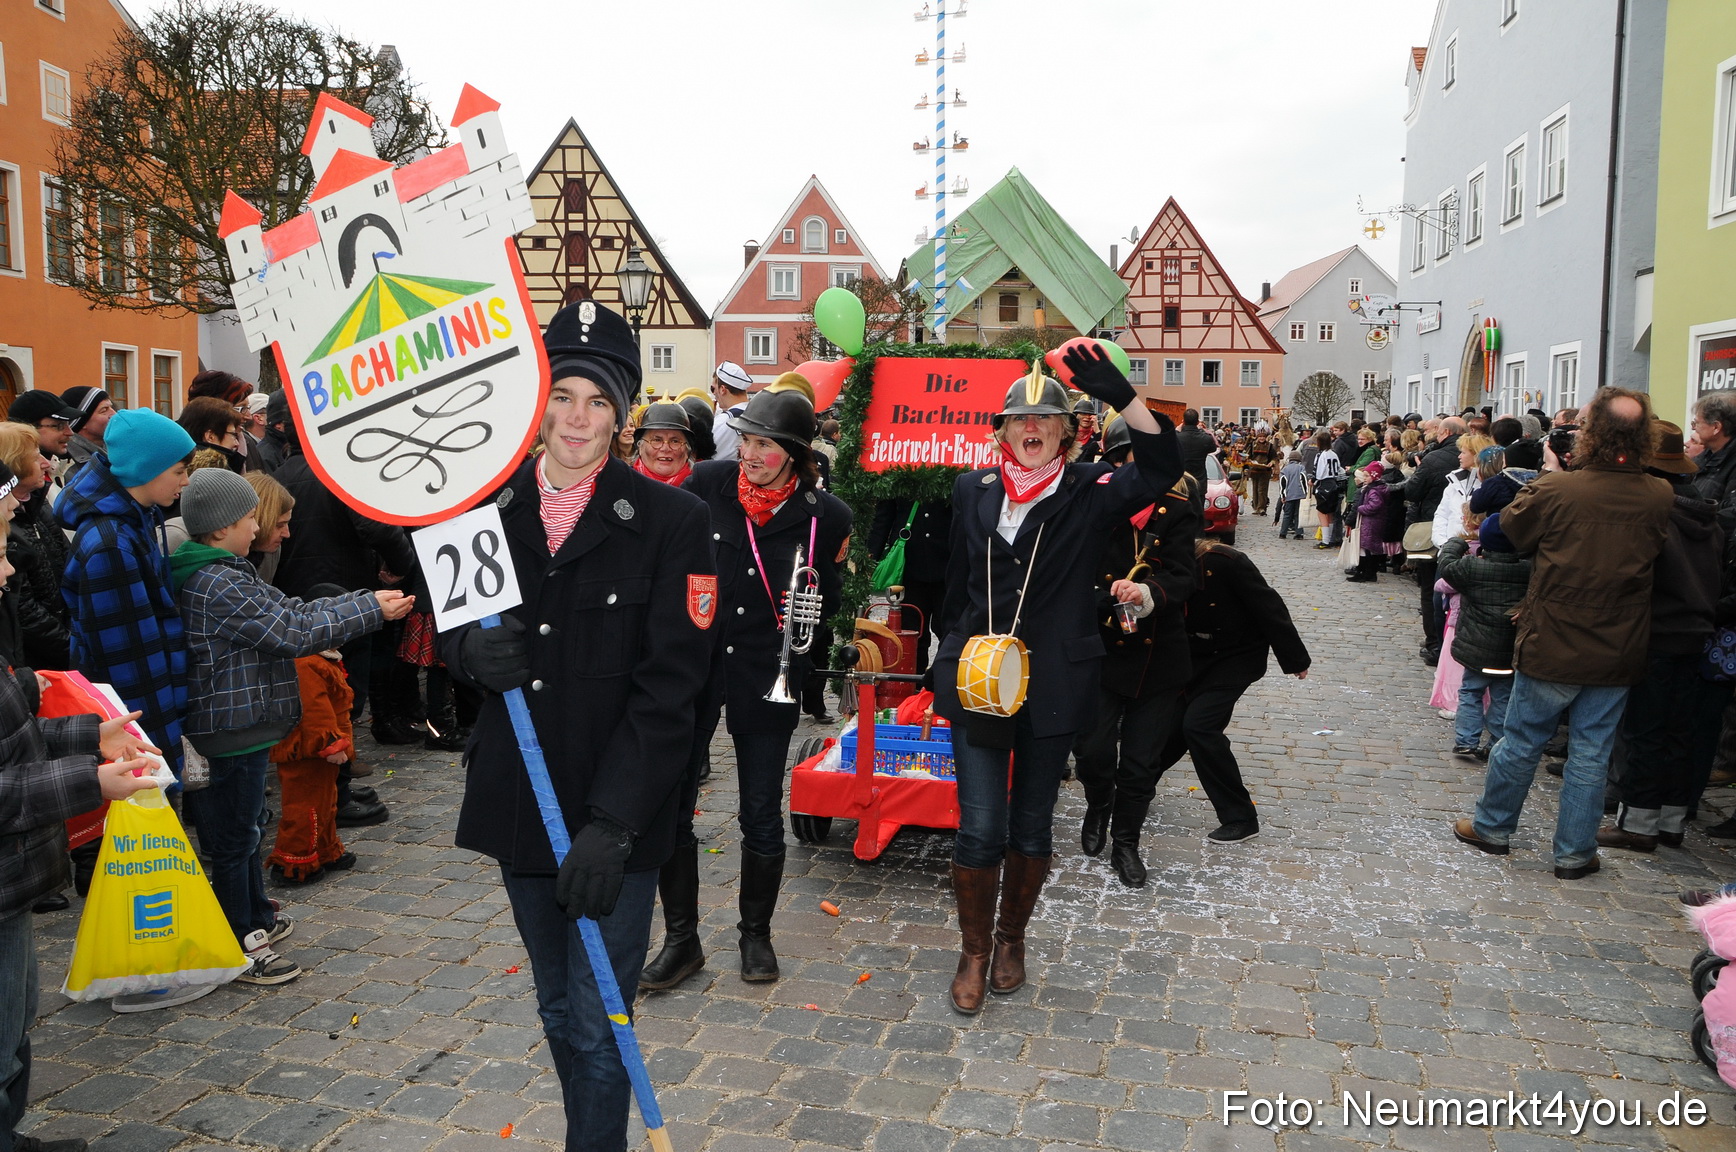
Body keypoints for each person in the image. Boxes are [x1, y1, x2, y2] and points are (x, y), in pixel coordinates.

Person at [437, 300, 716, 1152]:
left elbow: (674, 692)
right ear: (535, 402)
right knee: (558, 1007)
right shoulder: (479, 510)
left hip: (611, 826)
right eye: (561, 396)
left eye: (597, 401)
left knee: (601, 1028)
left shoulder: (672, 523)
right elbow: (456, 636)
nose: (577, 419)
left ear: (623, 413)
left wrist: (617, 824)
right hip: (521, 806)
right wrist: (465, 657)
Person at [932, 346, 1182, 1015]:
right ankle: (974, 950)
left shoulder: (1092, 491)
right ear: (1002, 430)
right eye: (1020, 419)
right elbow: (955, 584)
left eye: (1047, 417)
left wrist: (1123, 395)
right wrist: (945, 658)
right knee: (980, 828)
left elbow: (1164, 465)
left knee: (1031, 828)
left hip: (1053, 685)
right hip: (980, 681)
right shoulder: (971, 489)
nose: (1032, 426)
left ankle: (1012, 939)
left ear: (1069, 431)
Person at [172, 467, 408, 984]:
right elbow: (290, 629)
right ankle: (241, 941)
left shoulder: (228, 570)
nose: (259, 528)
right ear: (222, 527)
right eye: (250, 519)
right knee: (234, 842)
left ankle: (255, 915)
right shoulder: (217, 581)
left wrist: (362, 601)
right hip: (227, 731)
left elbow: (292, 608)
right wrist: (370, 608)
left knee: (246, 830)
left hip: (243, 728)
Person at [1453, 387, 1676, 880]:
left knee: (1521, 740)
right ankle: (1574, 854)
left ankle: (1493, 828)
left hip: (1555, 636)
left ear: (1588, 434)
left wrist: (1553, 475)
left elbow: (1500, 533)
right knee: (1592, 752)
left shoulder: (1558, 489)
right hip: (1618, 642)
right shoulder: (1660, 493)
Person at [684, 374, 851, 982]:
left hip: (767, 673)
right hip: (697, 670)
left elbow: (825, 599)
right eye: (747, 439)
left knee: (759, 811)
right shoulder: (705, 486)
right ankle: (682, 937)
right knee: (676, 806)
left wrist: (801, 633)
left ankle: (756, 935)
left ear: (797, 456)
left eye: (767, 445)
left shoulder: (826, 516)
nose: (752, 455)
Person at [1, 541, 162, 1152]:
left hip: (14, 879)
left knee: (14, 1027)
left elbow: (11, 736)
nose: (11, 569)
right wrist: (89, 780)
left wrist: (90, 735)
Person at [1074, 416, 1198, 887]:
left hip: (1157, 655)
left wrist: (1148, 595)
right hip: (1100, 649)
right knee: (1093, 750)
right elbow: (1068, 577)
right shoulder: (1093, 504)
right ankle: (1097, 800)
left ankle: (1126, 842)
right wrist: (1106, 596)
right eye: (1132, 459)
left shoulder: (1178, 508)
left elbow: (1185, 575)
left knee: (1142, 762)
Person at [1598, 422, 1724, 852]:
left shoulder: (1657, 515)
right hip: (1694, 631)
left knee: (1644, 731)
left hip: (1657, 631)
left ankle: (1639, 823)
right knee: (1678, 730)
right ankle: (1670, 822)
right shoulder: (1704, 514)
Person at [57, 409, 197, 779]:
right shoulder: (112, 545)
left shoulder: (134, 521)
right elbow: (131, 661)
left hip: (141, 714)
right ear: (145, 469)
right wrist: (161, 753)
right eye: (179, 471)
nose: (185, 481)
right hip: (136, 724)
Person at [1438, 513, 1531, 758]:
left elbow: (1447, 568)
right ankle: (1496, 742)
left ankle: (1467, 739)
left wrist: (1456, 543)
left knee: (1470, 691)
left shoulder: (1472, 567)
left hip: (1476, 647)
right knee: (1503, 696)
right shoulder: (1528, 570)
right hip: (1509, 650)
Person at [0, 426, 69, 672]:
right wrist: (70, 646)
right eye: (34, 456)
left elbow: (67, 560)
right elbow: (24, 611)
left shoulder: (39, 507)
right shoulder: (7, 529)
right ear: (13, 464)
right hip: (36, 662)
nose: (45, 463)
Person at [57, 387, 115, 485]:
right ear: (82, 422)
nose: (114, 414)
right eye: (104, 410)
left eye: (111, 407)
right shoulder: (69, 466)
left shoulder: (113, 450)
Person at [177, 396, 247, 473]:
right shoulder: (216, 474)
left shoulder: (177, 466)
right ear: (210, 437)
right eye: (233, 435)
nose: (236, 443)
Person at [632, 402, 696, 486]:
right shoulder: (623, 484)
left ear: (687, 450)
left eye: (675, 441)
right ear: (640, 447)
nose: (665, 448)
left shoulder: (701, 487)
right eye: (657, 440)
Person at [7, 390, 78, 464]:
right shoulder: (13, 473)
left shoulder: (53, 466)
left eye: (68, 423)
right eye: (60, 426)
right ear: (29, 429)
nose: (70, 432)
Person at [711, 361, 753, 461]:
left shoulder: (722, 421)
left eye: (713, 388)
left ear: (722, 389)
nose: (714, 393)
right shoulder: (759, 415)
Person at [1312, 431, 1347, 548]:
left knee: (1322, 513)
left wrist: (1313, 481)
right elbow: (1338, 469)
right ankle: (1331, 539)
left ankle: (1325, 541)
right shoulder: (1333, 454)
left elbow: (1318, 471)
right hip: (1334, 483)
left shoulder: (1321, 455)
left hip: (1324, 483)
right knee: (1331, 513)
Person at [1175, 407, 1217, 495]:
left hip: (1181, 482)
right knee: (1199, 507)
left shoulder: (1176, 437)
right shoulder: (1206, 438)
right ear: (1198, 422)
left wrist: (1176, 431)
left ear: (1183, 422)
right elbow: (1213, 449)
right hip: (1199, 482)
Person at [1243, 428, 1276, 517]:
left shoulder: (1270, 446)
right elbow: (1247, 455)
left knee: (1262, 490)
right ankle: (1255, 506)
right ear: (1257, 437)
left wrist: (1271, 463)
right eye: (1260, 437)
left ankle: (1262, 507)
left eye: (1263, 437)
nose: (1262, 438)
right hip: (1254, 470)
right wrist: (1249, 461)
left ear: (1266, 437)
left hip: (1265, 471)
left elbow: (1274, 458)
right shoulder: (1253, 444)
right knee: (1255, 489)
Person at [1276, 452, 1307, 540]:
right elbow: (1303, 480)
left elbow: (1282, 483)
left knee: (1287, 514)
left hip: (1288, 495)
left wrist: (1283, 495)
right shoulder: (1301, 467)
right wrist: (1305, 492)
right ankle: (1299, 533)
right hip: (1300, 495)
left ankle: (1283, 533)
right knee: (1298, 514)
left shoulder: (1285, 469)